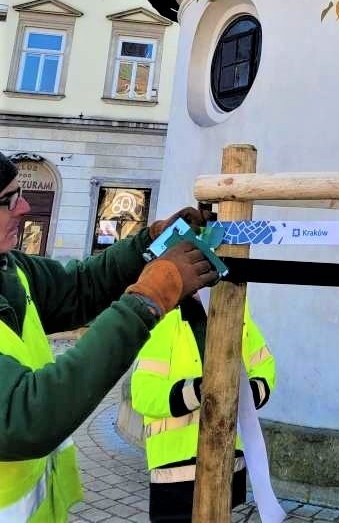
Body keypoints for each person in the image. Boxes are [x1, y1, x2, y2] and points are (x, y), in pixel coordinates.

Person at [0, 150, 220, 522]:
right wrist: (148, 300)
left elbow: (80, 286)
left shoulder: (10, 270)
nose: (24, 208)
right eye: (9, 199)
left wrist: (148, 242)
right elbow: (24, 416)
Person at [131, 294, 275, 521]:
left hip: (227, 463)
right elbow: (143, 393)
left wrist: (249, 395)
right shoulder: (165, 318)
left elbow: (263, 363)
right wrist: (199, 391)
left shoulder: (236, 308)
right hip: (176, 472)